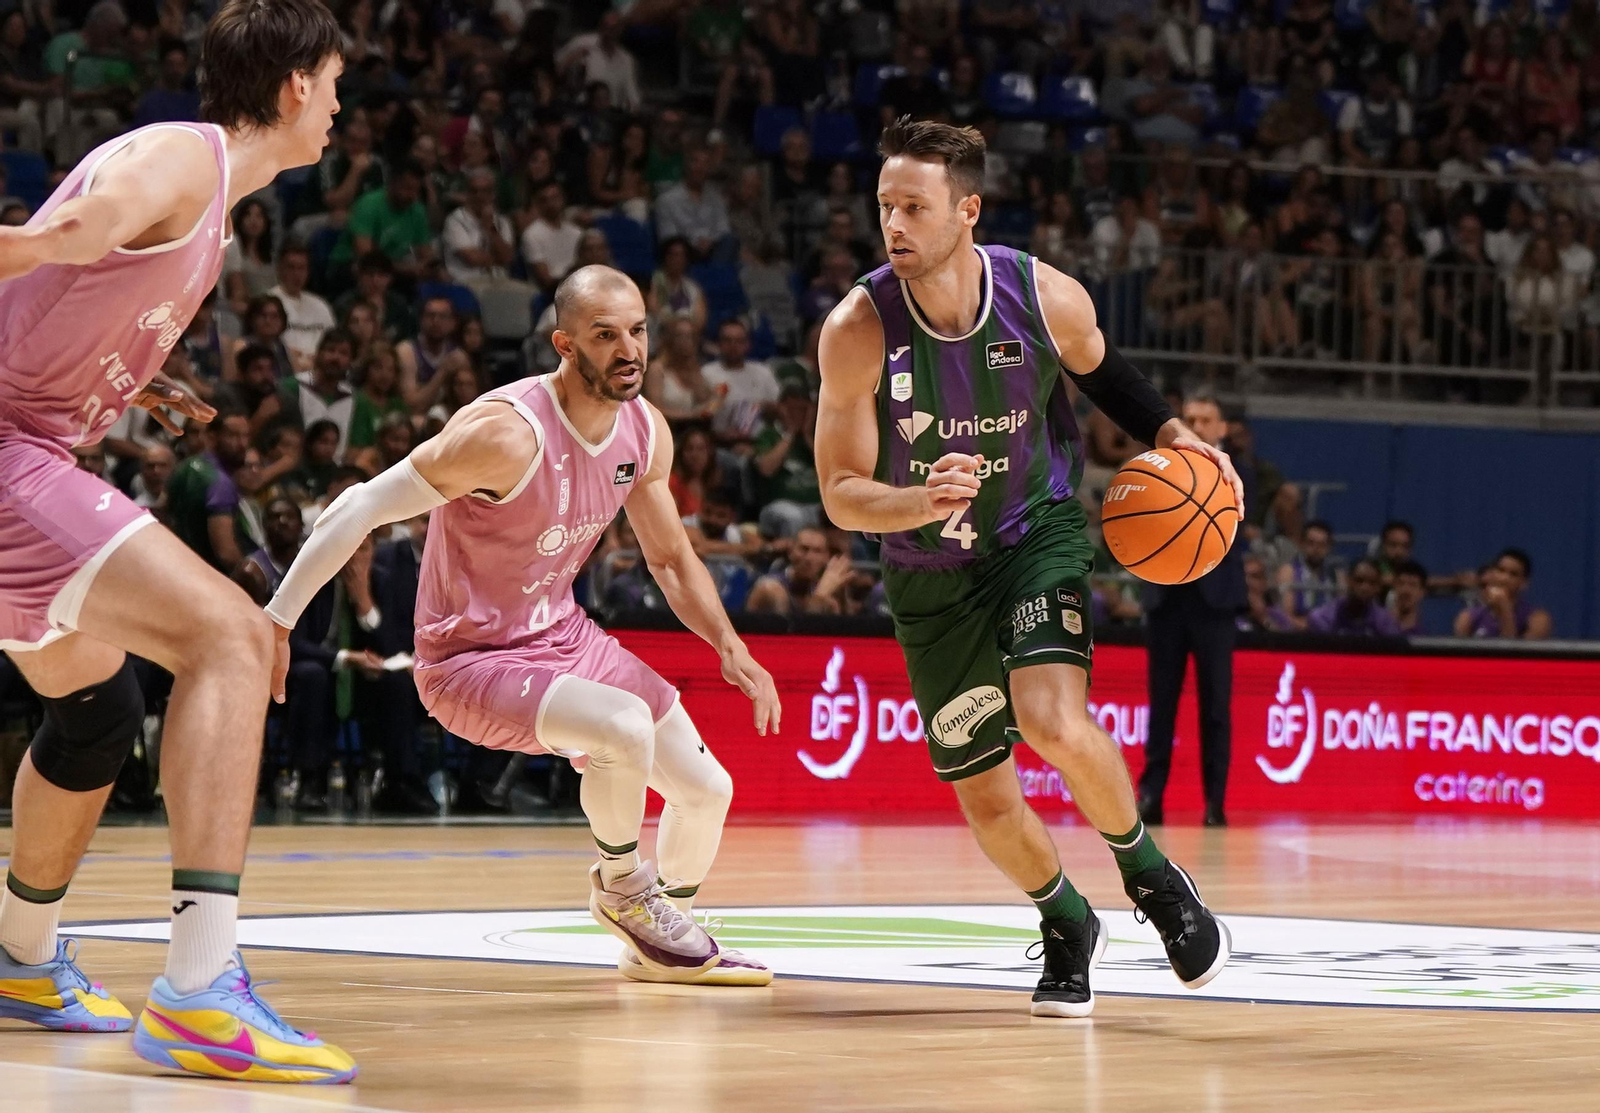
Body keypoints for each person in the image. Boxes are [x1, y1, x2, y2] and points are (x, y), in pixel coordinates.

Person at [0, 0, 354, 1083]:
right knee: (234, 641)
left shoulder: (215, 212)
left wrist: (137, 380)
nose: (338, 110)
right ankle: (200, 988)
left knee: (97, 706)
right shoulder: (178, 158)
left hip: (33, 449)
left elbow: (75, 283)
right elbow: (66, 237)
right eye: (334, 88)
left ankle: (18, 958)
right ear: (296, 86)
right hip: (11, 457)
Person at [814, 117, 1236, 1019]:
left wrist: (1178, 438)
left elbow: (1110, 377)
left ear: (967, 210)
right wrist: (917, 499)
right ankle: (1065, 919)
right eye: (884, 205)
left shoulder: (1040, 296)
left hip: (1031, 533)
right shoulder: (857, 328)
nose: (894, 223)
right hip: (927, 570)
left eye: (914, 207)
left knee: (1050, 717)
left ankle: (1154, 879)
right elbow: (842, 492)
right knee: (987, 798)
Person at [264, 265, 779, 987]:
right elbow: (356, 506)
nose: (628, 348)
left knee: (707, 789)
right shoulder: (505, 436)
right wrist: (277, 620)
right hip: (468, 660)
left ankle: (661, 936)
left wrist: (730, 645)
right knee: (625, 726)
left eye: (637, 330)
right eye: (606, 335)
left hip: (563, 637)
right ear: (565, 345)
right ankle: (624, 892)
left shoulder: (644, 429)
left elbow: (668, 555)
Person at [1139, 395, 1247, 829]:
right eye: (1191, 418)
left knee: (1216, 708)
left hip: (1215, 601)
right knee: (1161, 704)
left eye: (1207, 419)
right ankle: (1151, 798)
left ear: (1222, 428)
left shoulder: (1241, 472)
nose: (1198, 425)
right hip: (1167, 599)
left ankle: (1215, 804)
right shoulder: (1161, 466)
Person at [1454, 548, 1553, 639]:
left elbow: (1514, 655)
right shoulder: (1468, 618)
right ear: (1492, 573)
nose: (1504, 579)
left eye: (1513, 574)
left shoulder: (1538, 619)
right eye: (1500, 570)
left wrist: (1504, 609)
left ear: (1524, 583)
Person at [1305, 559, 1402, 636]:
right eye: (1359, 581)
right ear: (1348, 581)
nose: (1365, 588)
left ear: (1378, 588)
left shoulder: (1385, 622)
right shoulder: (1323, 618)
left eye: (1372, 583)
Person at [1389, 559, 1429, 635]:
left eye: (1412, 585)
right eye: (1401, 583)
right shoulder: (1378, 628)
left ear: (1422, 592)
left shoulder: (1423, 638)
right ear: (1394, 587)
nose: (1405, 590)